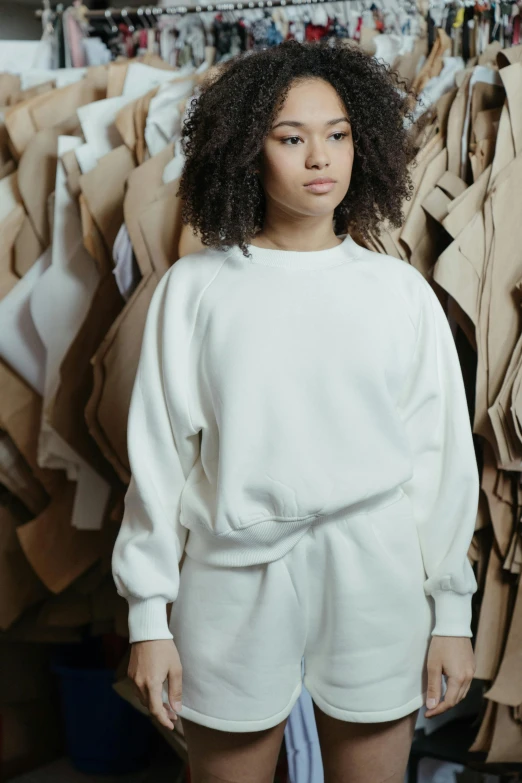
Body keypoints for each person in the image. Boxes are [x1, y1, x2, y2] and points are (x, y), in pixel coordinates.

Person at [111, 38, 479, 783]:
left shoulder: (398, 291)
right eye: (291, 138)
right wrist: (150, 619)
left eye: (338, 134)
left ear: (362, 143)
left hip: (377, 577)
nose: (321, 157)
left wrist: (452, 614)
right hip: (231, 583)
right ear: (249, 150)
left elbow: (440, 466)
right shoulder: (195, 289)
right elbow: (157, 464)